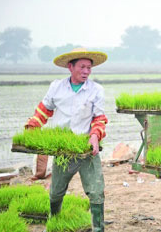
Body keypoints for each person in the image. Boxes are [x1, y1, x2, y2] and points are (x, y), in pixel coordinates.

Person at [25, 47, 108, 232]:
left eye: (89, 68)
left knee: (96, 192)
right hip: (62, 151)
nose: (86, 71)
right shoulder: (57, 87)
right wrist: (32, 127)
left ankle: (98, 229)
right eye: (82, 67)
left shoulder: (96, 90)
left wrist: (94, 136)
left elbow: (99, 118)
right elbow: (44, 110)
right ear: (70, 67)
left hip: (86, 151)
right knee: (55, 192)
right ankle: (54, 221)